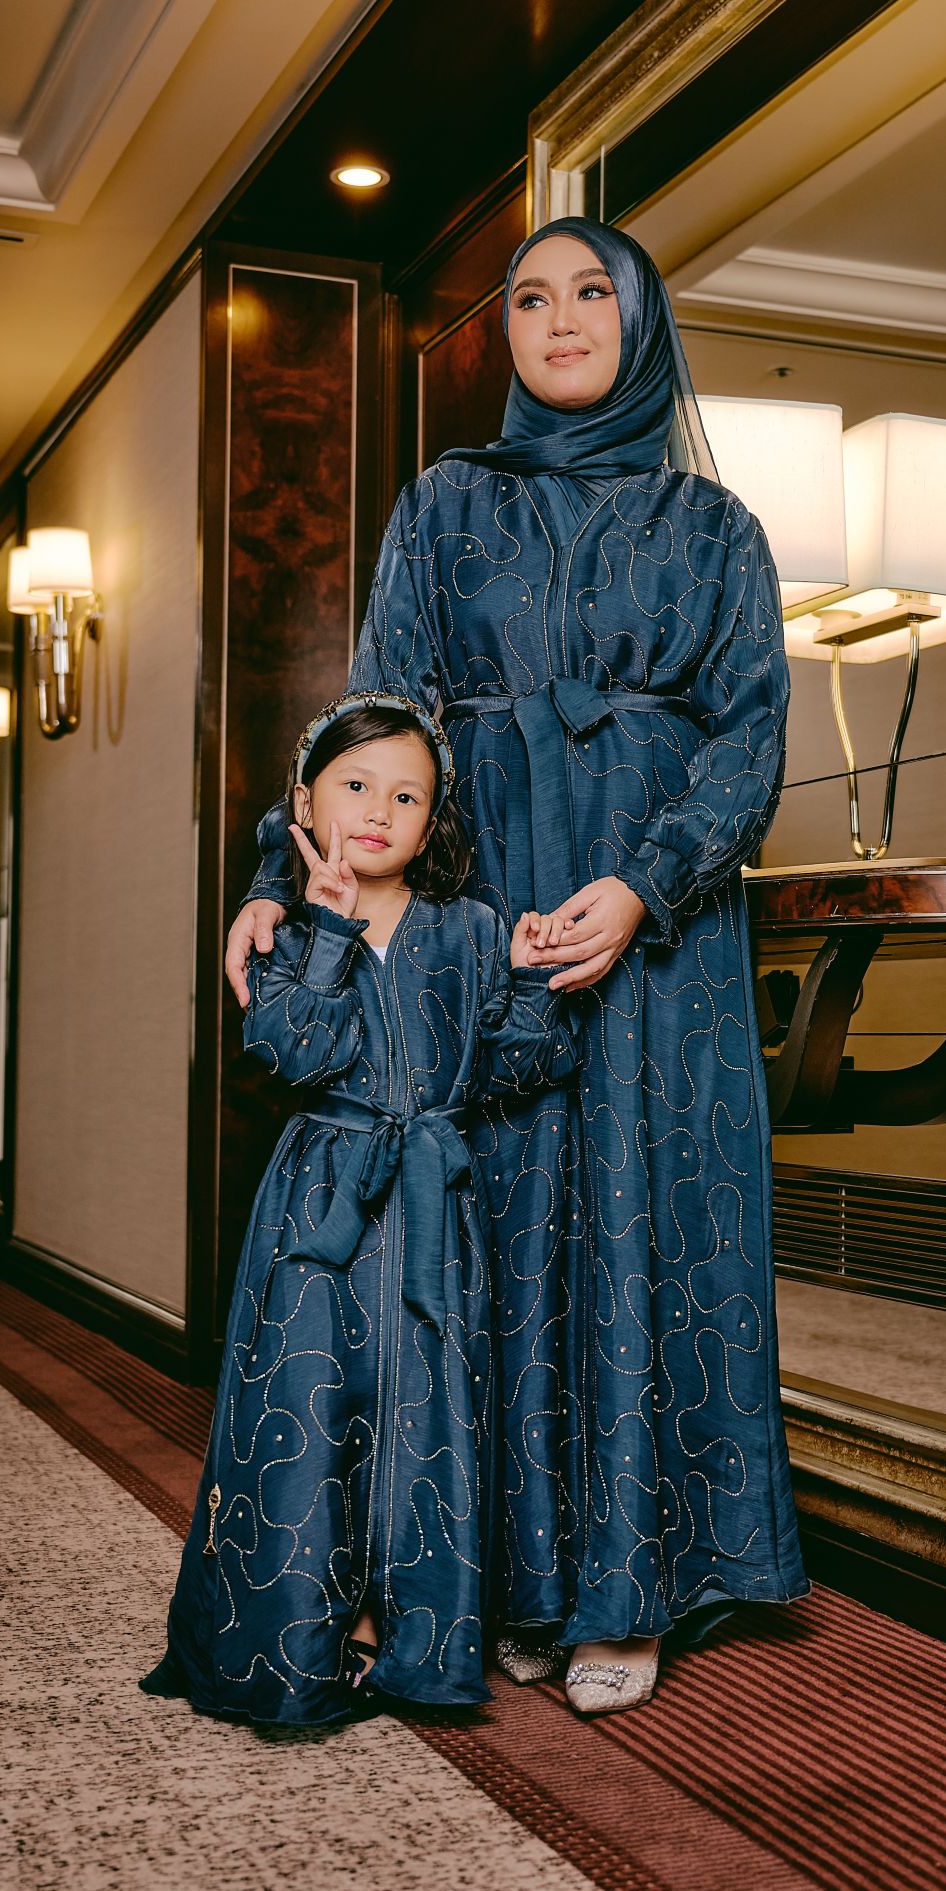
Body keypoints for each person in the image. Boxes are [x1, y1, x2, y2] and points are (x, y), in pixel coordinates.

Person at [224, 214, 809, 1717]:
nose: (559, 319)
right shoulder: (444, 501)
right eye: (530, 297)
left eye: (591, 293)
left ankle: (634, 1583)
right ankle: (521, 1580)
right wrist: (277, 882)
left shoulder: (717, 528)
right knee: (505, 1220)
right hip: (482, 902)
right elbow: (375, 718)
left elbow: (751, 742)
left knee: (647, 1208)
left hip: (658, 923)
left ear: (641, 321)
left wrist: (645, 883)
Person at [143, 694, 581, 1726]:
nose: (380, 811)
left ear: (432, 823)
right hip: (322, 1200)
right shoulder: (282, 930)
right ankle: (302, 1631)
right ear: (303, 804)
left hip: (433, 1205)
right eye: (355, 785)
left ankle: (403, 1633)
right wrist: (331, 929)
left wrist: (527, 984)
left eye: (407, 796)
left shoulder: (470, 928)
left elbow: (521, 1065)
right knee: (312, 1403)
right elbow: (292, 1049)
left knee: (425, 1408)